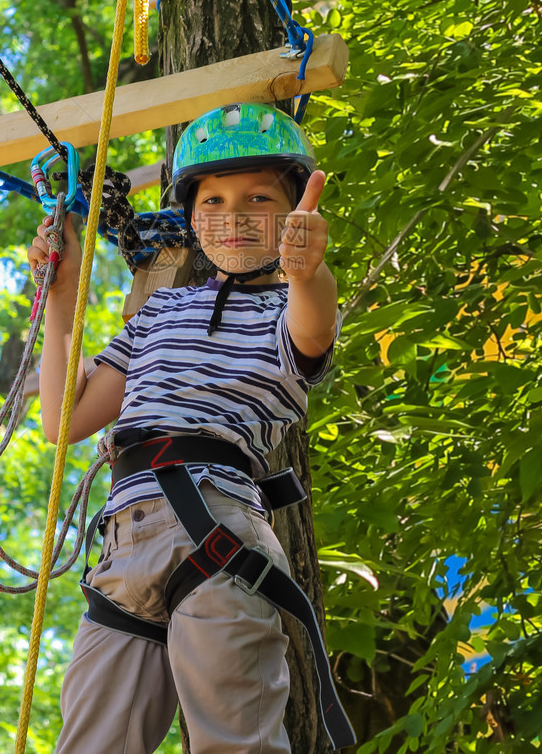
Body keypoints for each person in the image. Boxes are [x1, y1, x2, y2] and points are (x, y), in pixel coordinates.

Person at [27, 102, 354, 754]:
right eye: (214, 199)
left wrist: (308, 271)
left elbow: (313, 330)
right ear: (192, 213)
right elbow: (64, 419)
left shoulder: (283, 311)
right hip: (126, 544)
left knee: (235, 742)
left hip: (217, 526)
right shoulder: (162, 311)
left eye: (259, 197)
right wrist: (62, 298)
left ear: (292, 213)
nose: (233, 215)